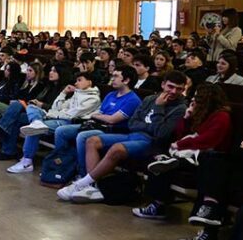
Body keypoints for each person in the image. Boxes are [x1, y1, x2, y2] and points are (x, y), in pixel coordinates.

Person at [57, 71, 188, 202]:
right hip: (132, 135)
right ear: (163, 84)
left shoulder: (180, 108)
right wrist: (150, 126)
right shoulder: (150, 99)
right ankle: (93, 186)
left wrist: (159, 108)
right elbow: (132, 124)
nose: (174, 91)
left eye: (179, 89)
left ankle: (82, 184)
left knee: (117, 149)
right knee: (92, 141)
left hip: (150, 143)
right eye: (171, 87)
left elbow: (161, 134)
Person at [176, 91, 243, 240]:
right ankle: (209, 217)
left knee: (216, 171)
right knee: (213, 162)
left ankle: (209, 224)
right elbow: (242, 145)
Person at [18, 66, 142, 179]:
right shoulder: (111, 95)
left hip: (111, 129)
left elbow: (112, 119)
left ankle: (83, 174)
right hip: (95, 124)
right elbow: (98, 113)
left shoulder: (132, 99)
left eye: (116, 76)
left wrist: (98, 116)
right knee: (60, 131)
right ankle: (62, 165)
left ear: (126, 80)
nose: (112, 78)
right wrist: (98, 115)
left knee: (82, 136)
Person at [133, 84, 232, 220]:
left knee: (167, 162)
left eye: (198, 97)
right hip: (190, 151)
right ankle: (158, 202)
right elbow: (180, 134)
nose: (194, 100)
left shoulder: (221, 116)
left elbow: (207, 140)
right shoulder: (201, 112)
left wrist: (180, 144)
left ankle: (159, 202)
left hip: (206, 156)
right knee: (159, 146)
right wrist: (186, 118)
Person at [8, 71, 101, 173]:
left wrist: (52, 114)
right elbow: (55, 107)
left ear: (89, 82)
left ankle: (27, 162)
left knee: (33, 129)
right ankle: (36, 121)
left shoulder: (93, 99)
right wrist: (64, 93)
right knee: (31, 107)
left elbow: (71, 115)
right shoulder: (77, 94)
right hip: (57, 117)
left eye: (79, 80)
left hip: (69, 122)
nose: (76, 83)